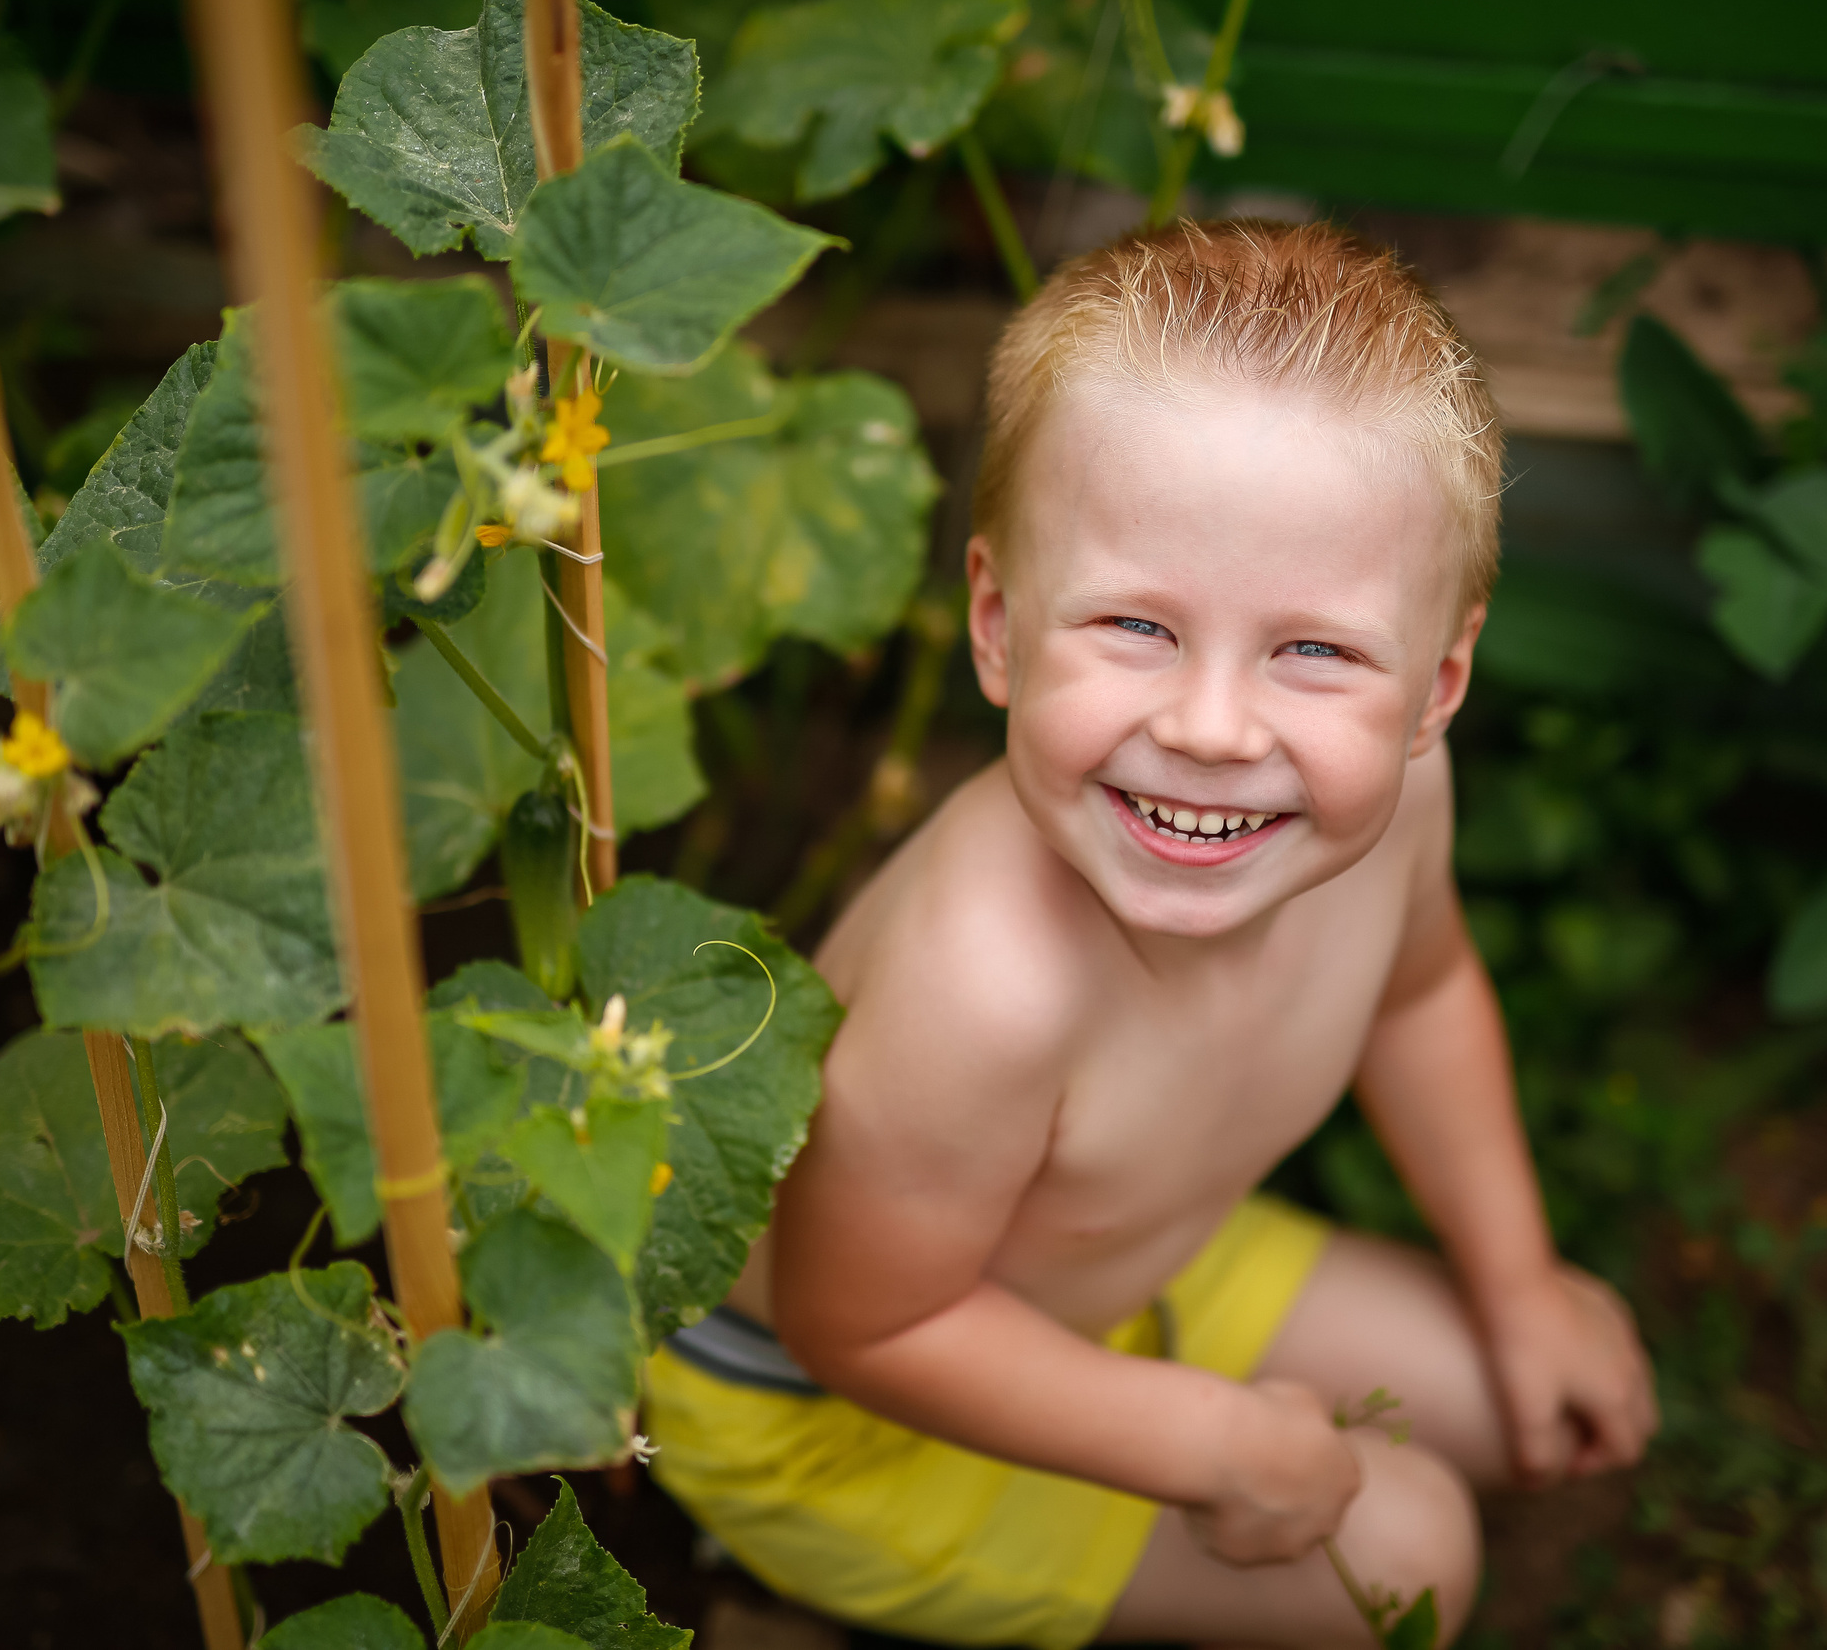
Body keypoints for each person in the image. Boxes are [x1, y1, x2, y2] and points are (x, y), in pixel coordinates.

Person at [646, 219, 1658, 1650]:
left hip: (1101, 1276)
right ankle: (772, 1583)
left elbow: (1420, 997)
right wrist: (1213, 1445)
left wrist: (1519, 1277)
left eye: (1316, 650)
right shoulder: (987, 982)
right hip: (839, 1404)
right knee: (1412, 1556)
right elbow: (862, 1325)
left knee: (1520, 1379)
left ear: (1436, 689)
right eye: (1135, 624)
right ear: (997, 624)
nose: (1212, 728)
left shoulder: (1401, 816)